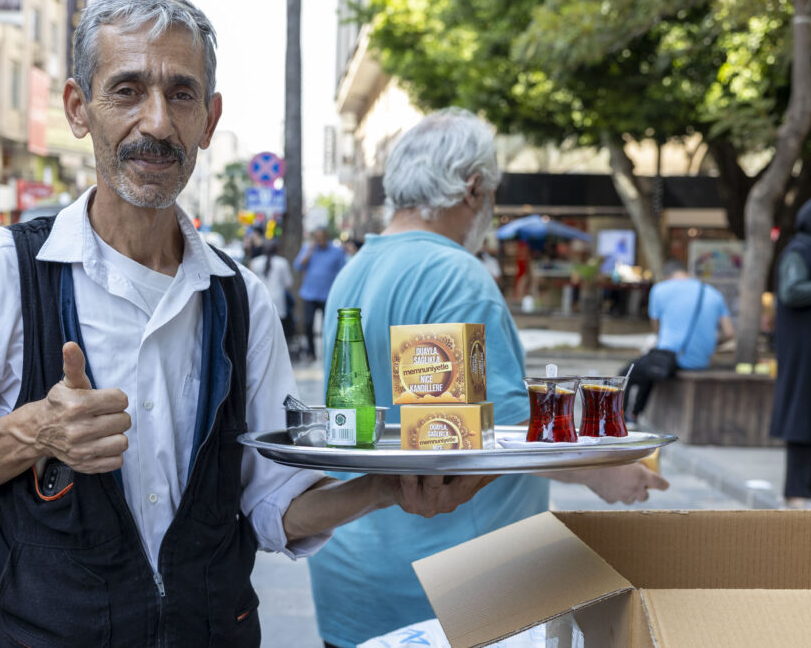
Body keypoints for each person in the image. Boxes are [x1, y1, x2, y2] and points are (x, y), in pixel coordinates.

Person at [0, 2, 491, 646]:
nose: (157, 123)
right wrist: (34, 432)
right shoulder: (2, 271)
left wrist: (383, 488)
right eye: (127, 90)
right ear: (79, 108)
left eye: (181, 94)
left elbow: (272, 505)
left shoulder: (239, 298)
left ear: (209, 119)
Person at [307, 109, 669, 648]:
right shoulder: (455, 274)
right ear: (473, 188)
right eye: (493, 192)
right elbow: (493, 438)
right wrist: (604, 471)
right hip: (451, 592)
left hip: (355, 575)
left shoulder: (357, 268)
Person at [622, 260, 734, 420]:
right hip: (701, 360)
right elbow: (729, 333)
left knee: (628, 373)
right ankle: (634, 414)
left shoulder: (660, 289)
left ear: (666, 276)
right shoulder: (712, 293)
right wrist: (707, 343)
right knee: (650, 366)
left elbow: (657, 330)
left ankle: (623, 417)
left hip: (674, 359)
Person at [770, 196, 811, 508]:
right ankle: (796, 497)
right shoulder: (800, 250)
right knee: (803, 421)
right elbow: (791, 290)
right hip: (806, 359)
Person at [293, 227, 345, 360]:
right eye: (317, 238)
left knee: (327, 325)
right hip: (309, 294)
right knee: (308, 323)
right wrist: (309, 252)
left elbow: (342, 272)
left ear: (326, 237)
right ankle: (311, 352)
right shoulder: (308, 249)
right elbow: (298, 266)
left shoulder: (337, 252)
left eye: (322, 237)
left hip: (328, 295)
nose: (319, 240)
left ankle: (329, 352)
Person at [248, 240, 295, 340]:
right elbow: (288, 283)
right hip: (277, 300)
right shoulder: (282, 262)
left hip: (259, 299)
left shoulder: (255, 262)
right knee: (277, 330)